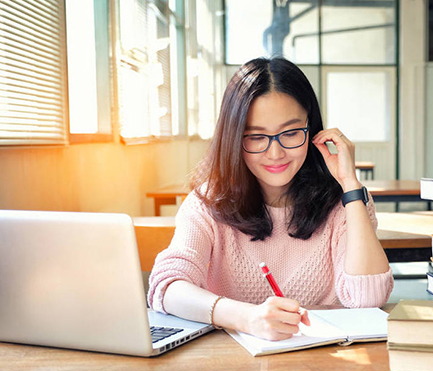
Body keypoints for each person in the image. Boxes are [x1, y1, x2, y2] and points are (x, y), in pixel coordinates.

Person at [147, 57, 393, 341]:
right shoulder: (207, 203)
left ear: (311, 129)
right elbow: (167, 287)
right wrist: (248, 318)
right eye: (255, 137)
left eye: (290, 133)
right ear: (233, 138)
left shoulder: (346, 203)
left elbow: (369, 298)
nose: (275, 154)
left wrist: (350, 185)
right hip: (231, 370)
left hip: (328, 368)